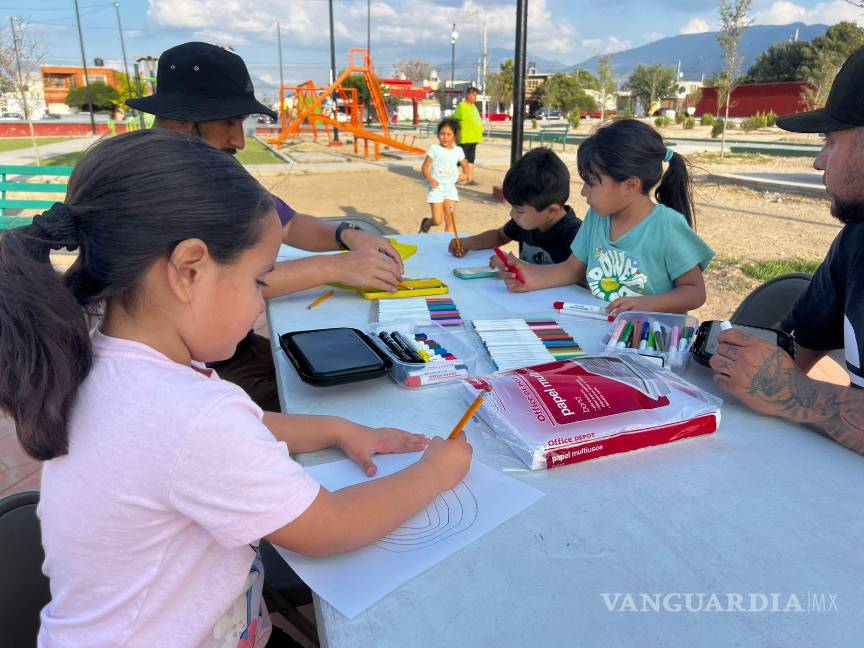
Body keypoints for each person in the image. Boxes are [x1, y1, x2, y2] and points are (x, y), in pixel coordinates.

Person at [0, 129, 473, 647]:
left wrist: (336, 427)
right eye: (259, 281)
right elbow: (329, 527)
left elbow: (224, 433)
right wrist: (436, 472)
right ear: (188, 270)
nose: (260, 305)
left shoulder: (107, 359)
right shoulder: (186, 413)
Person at [127, 42, 405, 411]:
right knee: (344, 407)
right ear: (182, 121)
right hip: (182, 373)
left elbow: (286, 224)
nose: (239, 140)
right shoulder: (149, 185)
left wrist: (348, 234)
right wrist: (336, 267)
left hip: (226, 345)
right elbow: (218, 288)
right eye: (228, 122)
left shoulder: (213, 166)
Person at [709, 46, 864, 455]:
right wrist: (735, 354)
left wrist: (793, 393)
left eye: (831, 141)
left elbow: (787, 382)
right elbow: (794, 345)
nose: (818, 162)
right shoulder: (857, 240)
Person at [495, 119, 714, 316]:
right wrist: (529, 278)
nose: (583, 192)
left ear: (629, 185)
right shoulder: (597, 218)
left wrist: (644, 304)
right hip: (604, 329)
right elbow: (571, 270)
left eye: (591, 183)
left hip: (651, 338)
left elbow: (694, 293)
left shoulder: (667, 226)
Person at [447, 147, 580, 264]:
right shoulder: (527, 222)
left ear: (551, 211)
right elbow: (499, 236)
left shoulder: (576, 235)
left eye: (519, 210)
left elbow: (576, 277)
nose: (512, 214)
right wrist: (468, 243)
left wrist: (519, 266)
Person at [418, 118, 469, 233]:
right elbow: (425, 167)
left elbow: (465, 165)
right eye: (442, 134)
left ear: (455, 136)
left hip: (450, 189)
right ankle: (426, 224)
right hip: (437, 188)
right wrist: (430, 179)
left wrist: (466, 175)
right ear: (438, 134)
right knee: (437, 220)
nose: (445, 137)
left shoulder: (458, 150)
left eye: (448, 134)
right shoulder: (434, 149)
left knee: (450, 221)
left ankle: (448, 246)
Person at [453, 86, 483, 185]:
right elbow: (455, 121)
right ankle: (455, 177)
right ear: (467, 95)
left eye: (476, 95)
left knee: (471, 159)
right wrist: (455, 135)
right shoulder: (461, 106)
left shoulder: (474, 107)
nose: (475, 97)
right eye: (473, 95)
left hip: (474, 138)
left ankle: (469, 179)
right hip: (464, 138)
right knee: (461, 160)